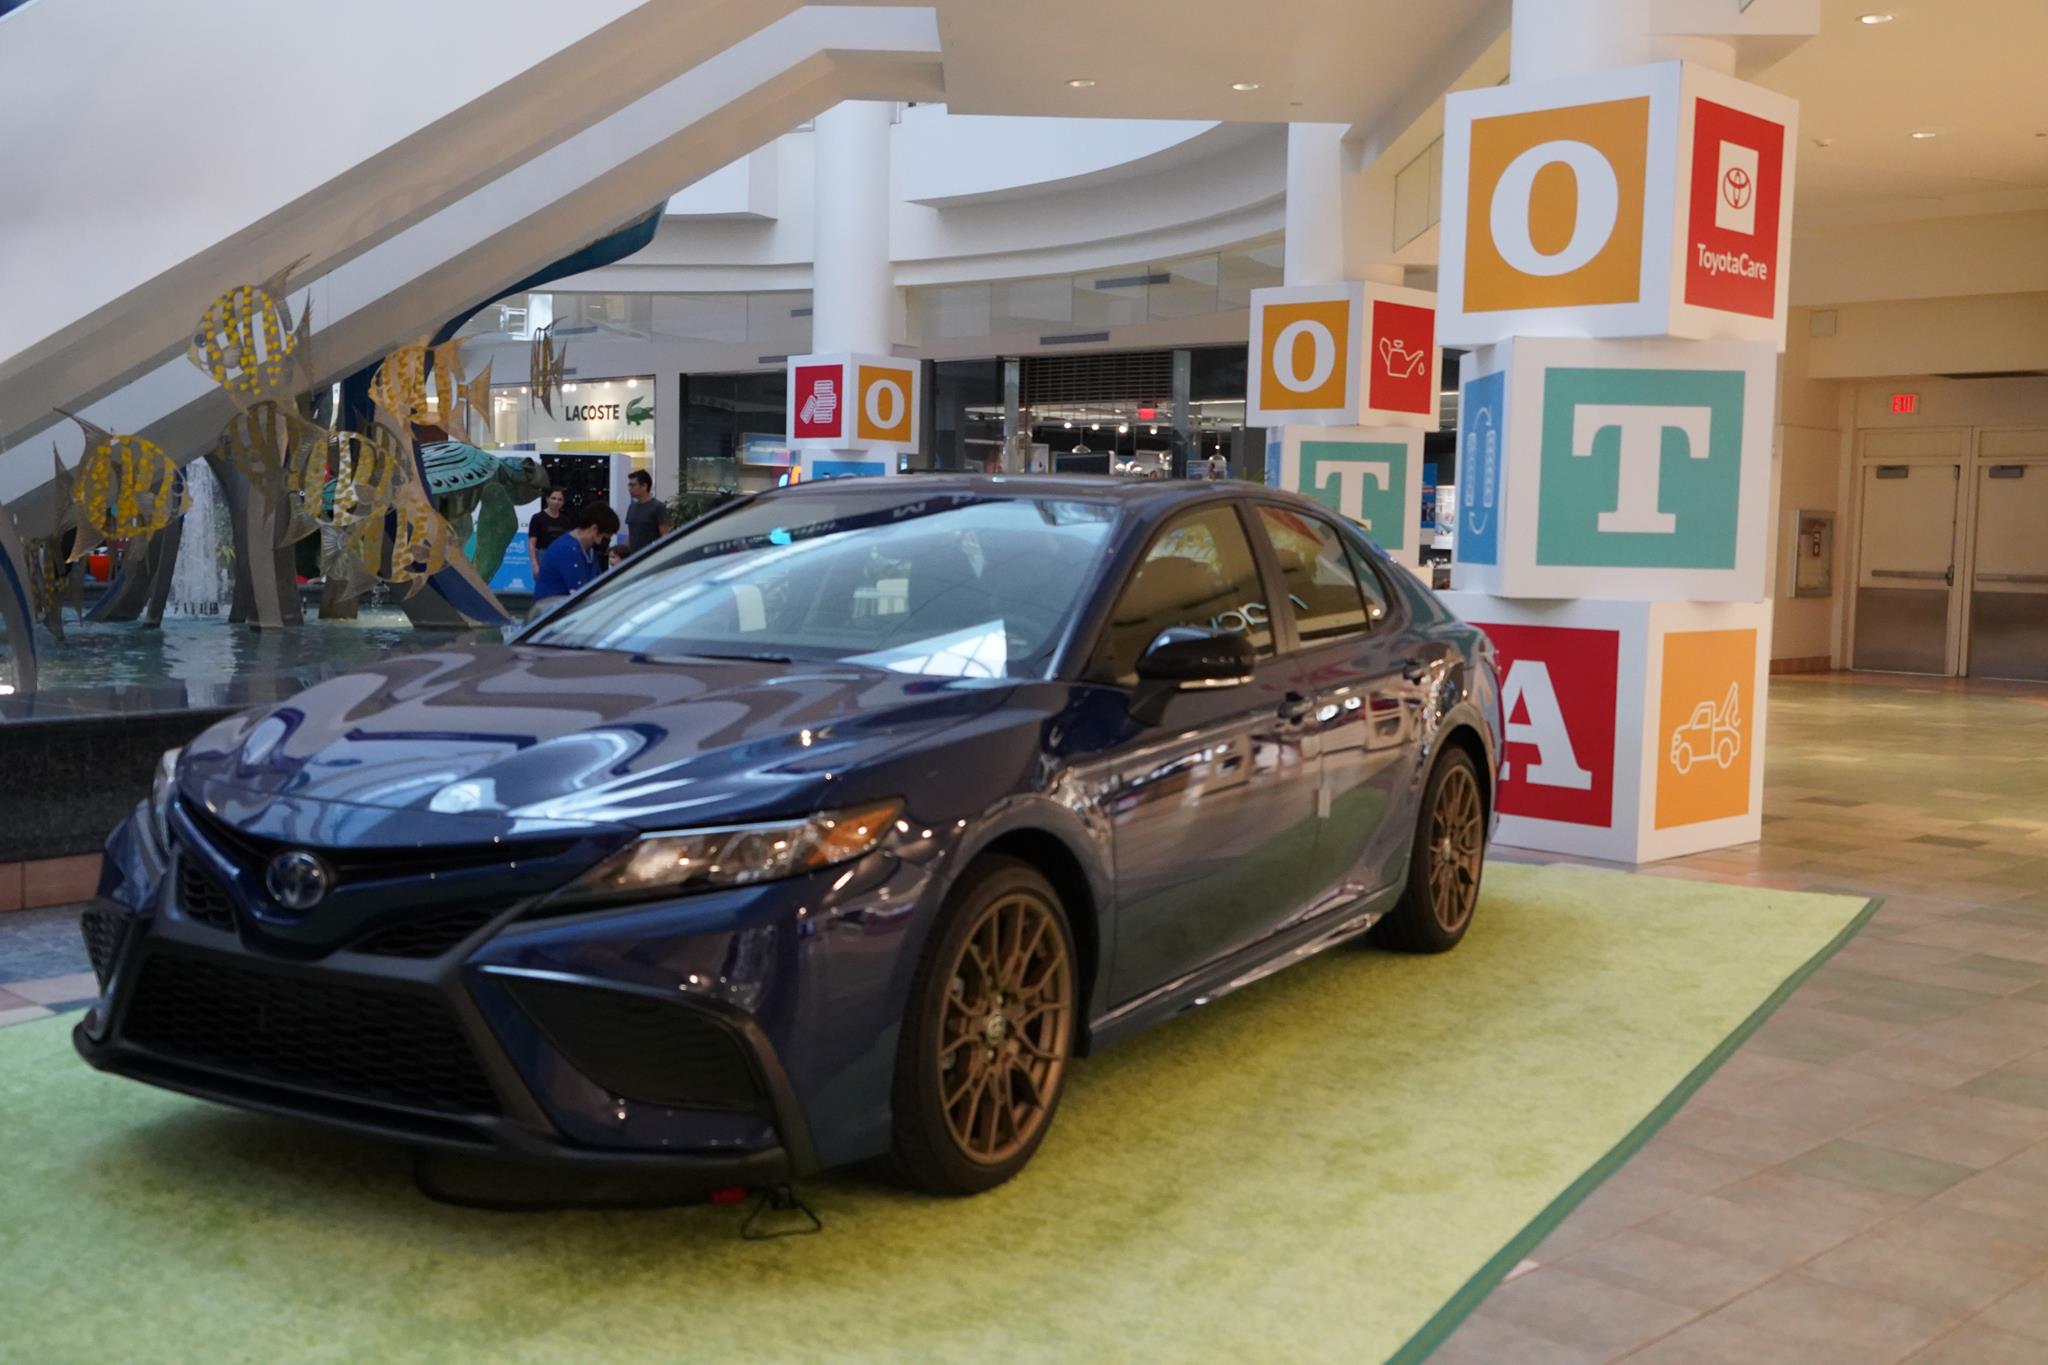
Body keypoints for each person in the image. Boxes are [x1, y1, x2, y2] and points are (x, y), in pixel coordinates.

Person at [531, 502, 619, 613]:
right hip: (551, 612)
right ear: (594, 529)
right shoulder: (567, 550)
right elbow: (579, 592)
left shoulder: (588, 550)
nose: (605, 542)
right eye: (605, 537)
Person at [526, 488, 573, 581]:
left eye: (560, 499)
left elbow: (568, 542)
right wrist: (534, 564)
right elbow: (532, 543)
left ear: (563, 502)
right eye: (553, 498)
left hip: (561, 557)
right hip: (543, 555)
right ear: (547, 499)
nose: (556, 502)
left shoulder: (565, 520)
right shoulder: (537, 518)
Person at [624, 468, 665, 556]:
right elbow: (631, 534)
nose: (629, 488)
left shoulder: (658, 507)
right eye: (629, 485)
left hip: (651, 556)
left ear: (644, 486)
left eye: (633, 485)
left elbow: (664, 535)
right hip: (634, 557)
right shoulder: (632, 507)